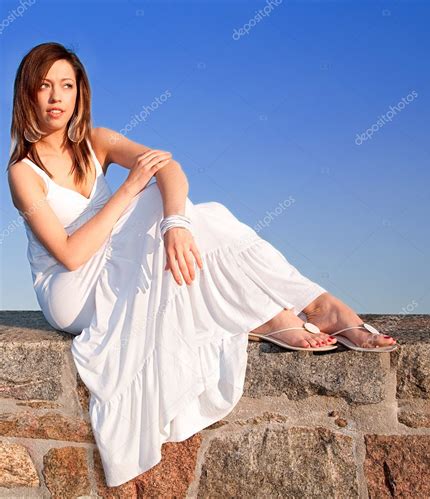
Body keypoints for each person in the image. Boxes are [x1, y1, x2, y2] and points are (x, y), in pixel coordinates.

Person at [6, 42, 397, 487]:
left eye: (67, 85)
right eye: (44, 86)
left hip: (112, 258)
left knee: (204, 216)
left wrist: (176, 223)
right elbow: (71, 254)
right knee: (148, 197)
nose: (56, 97)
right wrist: (130, 187)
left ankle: (309, 304)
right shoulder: (22, 171)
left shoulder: (97, 140)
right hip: (72, 292)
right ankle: (281, 312)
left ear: (80, 93)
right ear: (28, 94)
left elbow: (168, 167)